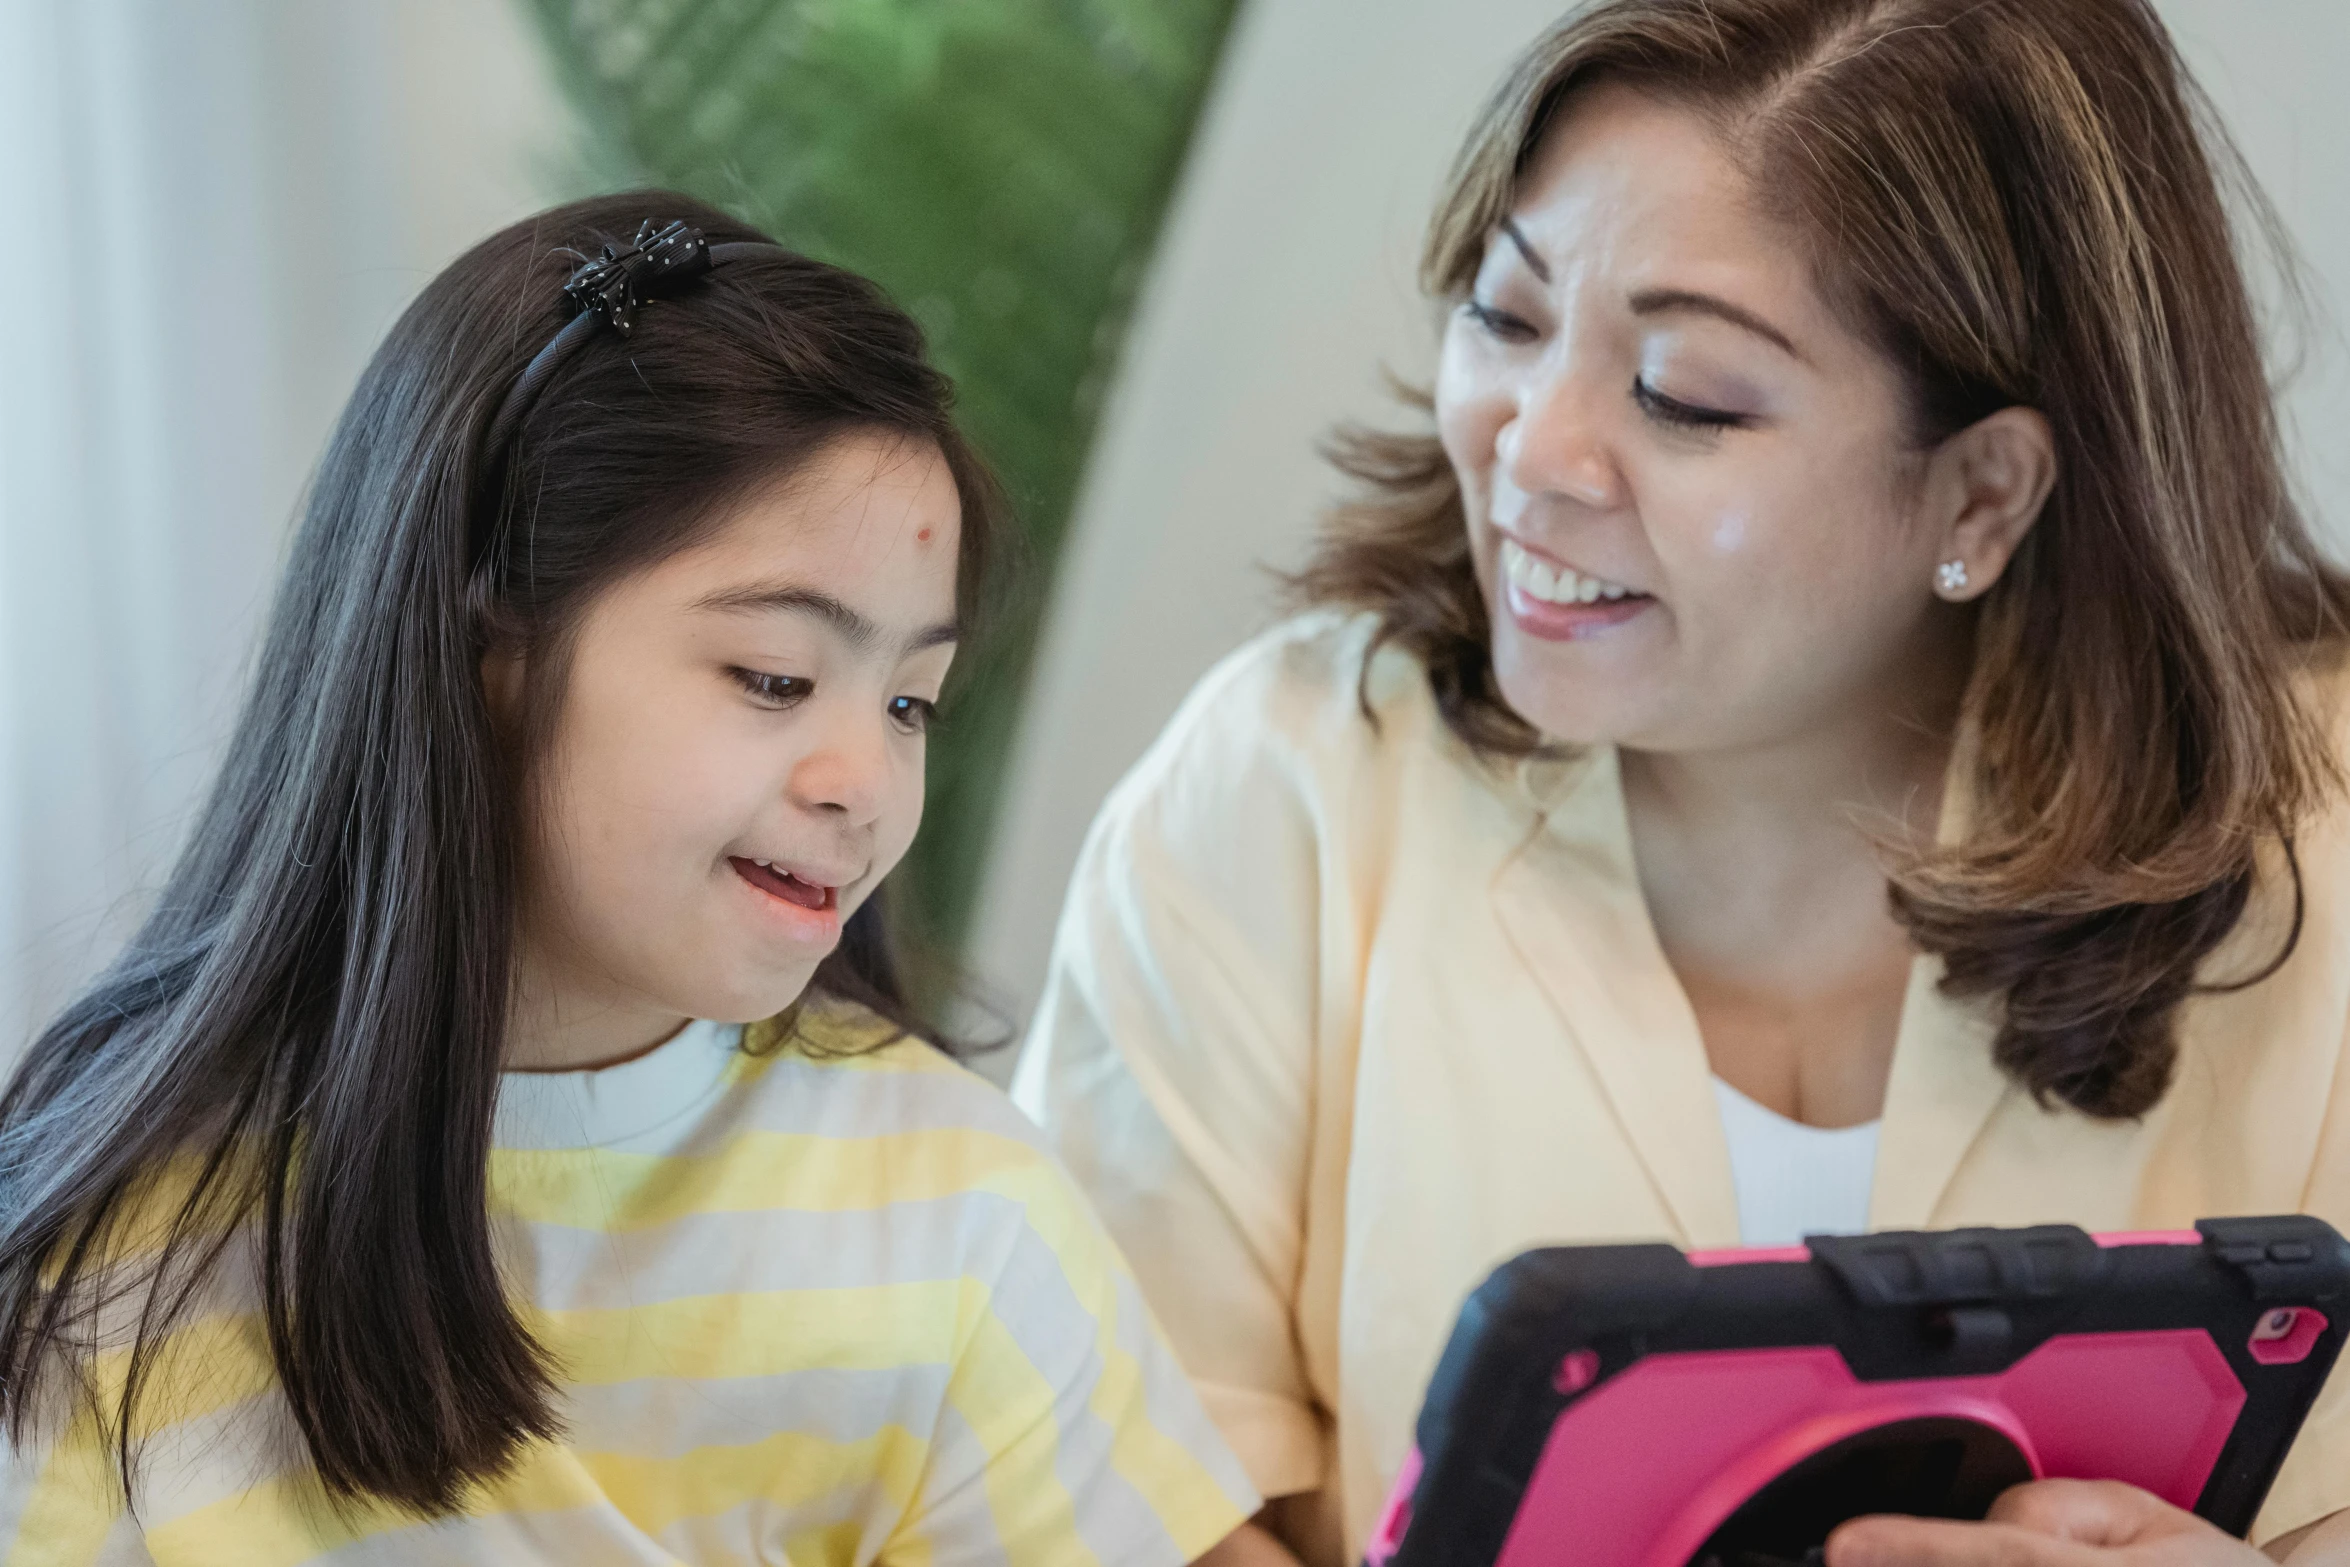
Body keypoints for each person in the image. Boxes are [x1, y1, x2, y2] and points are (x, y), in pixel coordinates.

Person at [1012, 1, 2350, 1563]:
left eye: (1685, 395)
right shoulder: (1285, 782)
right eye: (1504, 320)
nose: (1532, 453)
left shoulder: (2313, 830)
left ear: (1980, 491)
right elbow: (1094, 1482)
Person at [0, 193, 1258, 1565]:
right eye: (775, 677)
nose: (863, 779)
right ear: (487, 650)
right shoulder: (117, 1260)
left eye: (911, 703)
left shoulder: (958, 1220)